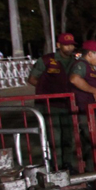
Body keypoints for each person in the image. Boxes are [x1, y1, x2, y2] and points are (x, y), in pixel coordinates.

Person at [27, 33, 77, 171]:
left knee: (68, 137)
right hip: (49, 106)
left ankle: (67, 164)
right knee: (54, 138)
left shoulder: (75, 61)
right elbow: (32, 79)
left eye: (71, 44)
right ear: (58, 45)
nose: (69, 47)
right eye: (66, 44)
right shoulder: (47, 60)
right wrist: (47, 92)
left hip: (68, 104)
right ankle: (56, 166)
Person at [70, 41, 96, 173]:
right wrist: (94, 91)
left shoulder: (89, 67)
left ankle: (93, 179)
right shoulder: (81, 65)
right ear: (90, 54)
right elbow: (74, 79)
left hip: (95, 112)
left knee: (91, 147)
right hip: (89, 113)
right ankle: (94, 181)